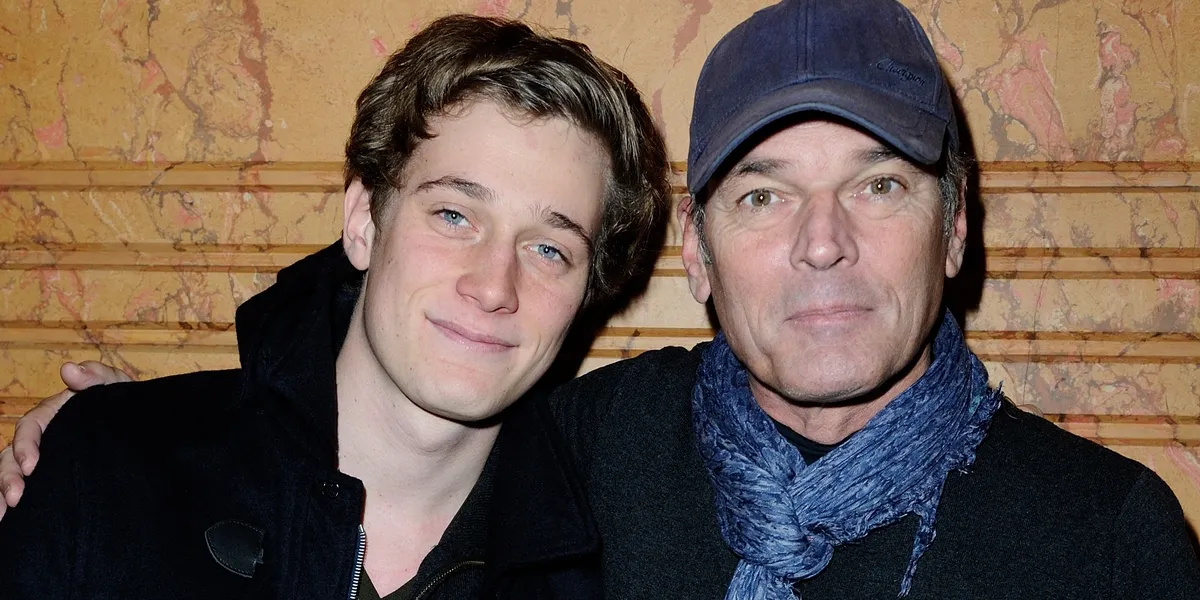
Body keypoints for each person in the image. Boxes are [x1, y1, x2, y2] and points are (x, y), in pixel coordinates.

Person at [6, 0, 1200, 598]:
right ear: (695, 249)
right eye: (765, 195)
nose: (824, 246)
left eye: (881, 184)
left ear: (956, 231)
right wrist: (121, 451)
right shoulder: (596, 455)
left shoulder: (1111, 540)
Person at [0, 13, 669, 599]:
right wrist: (103, 435)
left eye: (550, 250)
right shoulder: (110, 474)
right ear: (363, 221)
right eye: (453, 215)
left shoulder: (606, 569)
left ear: (587, 291)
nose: (494, 287)